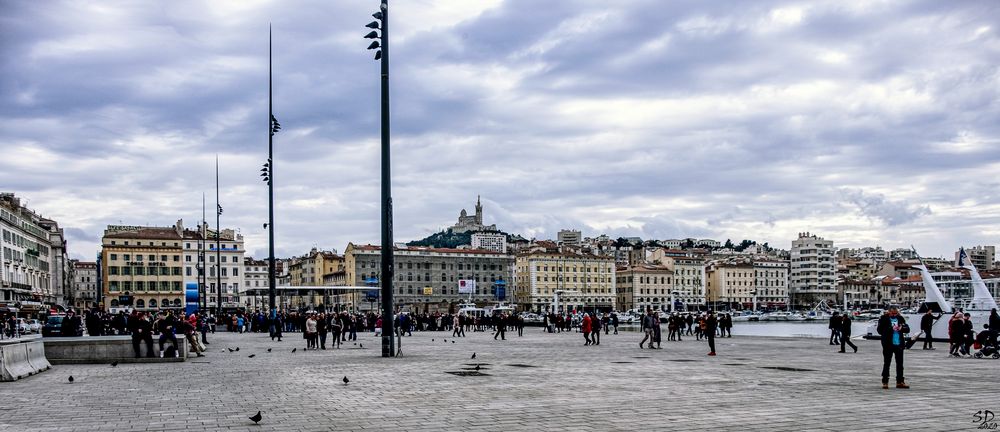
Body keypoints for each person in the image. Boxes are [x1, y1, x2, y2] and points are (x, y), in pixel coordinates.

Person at [876, 306, 909, 389]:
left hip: (899, 344)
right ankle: (885, 381)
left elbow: (907, 329)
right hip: (888, 344)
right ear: (889, 312)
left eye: (896, 313)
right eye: (892, 313)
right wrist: (891, 328)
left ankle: (900, 381)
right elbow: (879, 331)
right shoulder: (883, 318)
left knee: (900, 364)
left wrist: (901, 328)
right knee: (887, 363)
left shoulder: (900, 318)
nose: (894, 315)